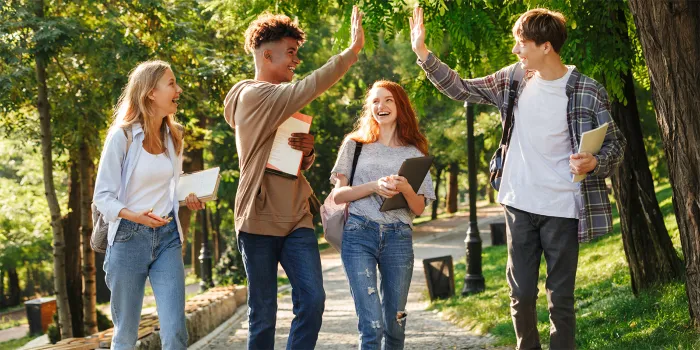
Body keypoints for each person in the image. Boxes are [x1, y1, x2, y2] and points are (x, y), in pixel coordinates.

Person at [409, 7, 626, 350]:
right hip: (519, 202)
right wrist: (423, 53)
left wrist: (594, 162)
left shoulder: (587, 90)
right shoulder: (514, 79)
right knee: (522, 294)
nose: (515, 50)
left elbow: (615, 144)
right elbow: (463, 88)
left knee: (561, 301)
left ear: (546, 47)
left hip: (563, 208)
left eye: (521, 43)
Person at [222, 7, 365, 349]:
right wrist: (351, 52)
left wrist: (307, 152)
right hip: (257, 218)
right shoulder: (254, 95)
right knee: (263, 314)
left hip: (297, 215)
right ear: (267, 54)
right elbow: (310, 86)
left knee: (313, 301)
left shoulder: (280, 103)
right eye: (290, 53)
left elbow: (289, 161)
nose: (295, 61)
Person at [93, 60, 204, 350]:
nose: (178, 90)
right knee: (126, 335)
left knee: (175, 331)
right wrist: (135, 216)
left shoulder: (173, 136)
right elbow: (102, 197)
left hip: (167, 237)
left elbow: (170, 186)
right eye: (171, 83)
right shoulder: (122, 136)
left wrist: (188, 197)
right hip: (128, 238)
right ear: (151, 92)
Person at [330, 80, 436, 349]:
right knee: (371, 325)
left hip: (398, 238)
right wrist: (374, 186)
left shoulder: (415, 152)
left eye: (388, 100)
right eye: (375, 101)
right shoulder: (355, 145)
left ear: (400, 106)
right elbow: (338, 196)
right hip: (358, 234)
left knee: (395, 324)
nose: (381, 106)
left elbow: (419, 208)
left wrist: (407, 188)